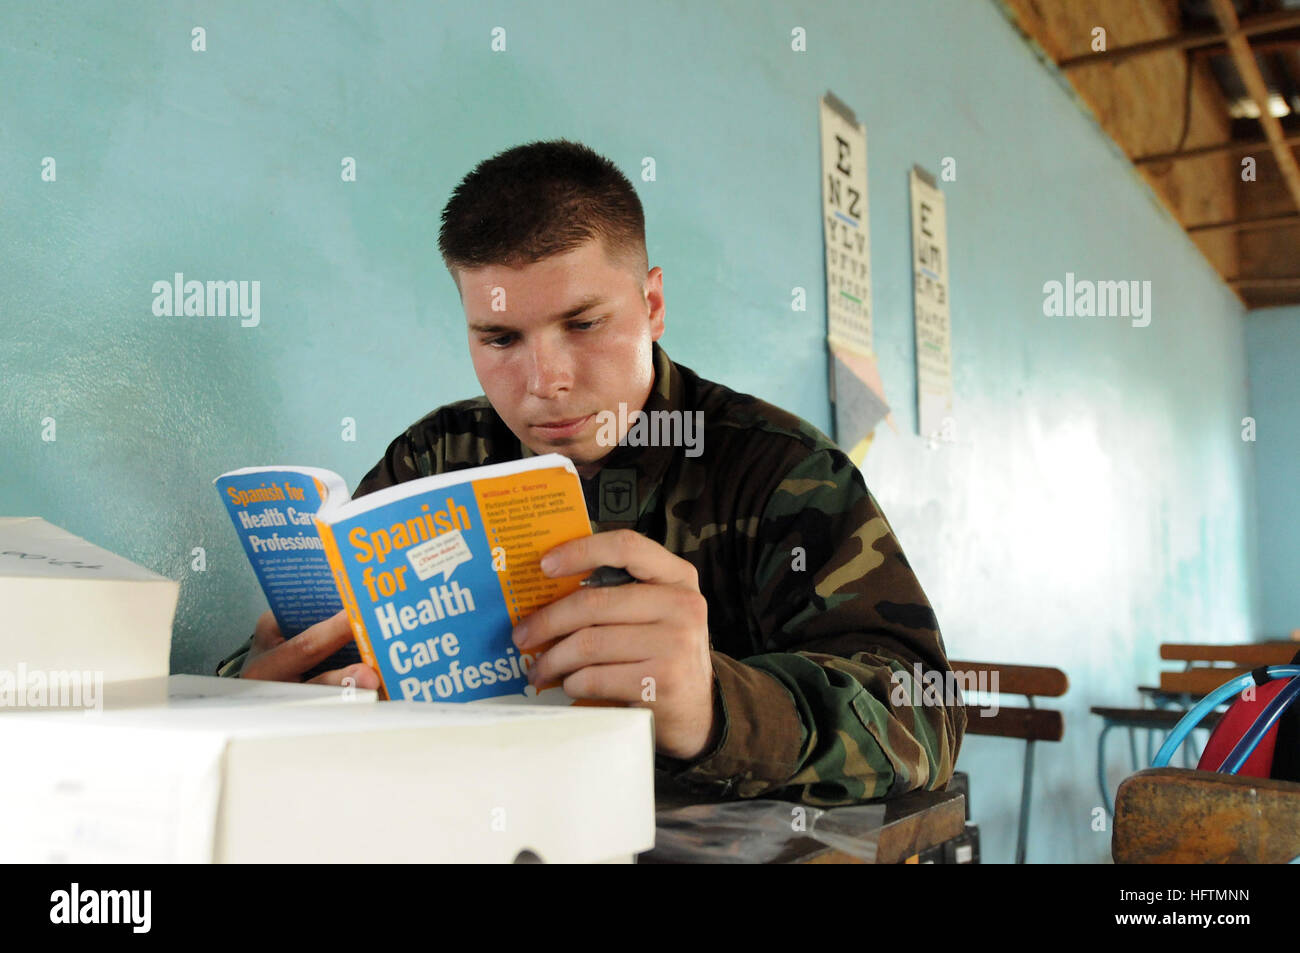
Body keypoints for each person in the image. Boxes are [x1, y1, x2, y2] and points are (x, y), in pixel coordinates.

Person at [215, 139, 966, 805]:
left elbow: (924, 713)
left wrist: (716, 707)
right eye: (500, 337)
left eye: (583, 323)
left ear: (653, 303)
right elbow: (331, 673)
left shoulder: (777, 469)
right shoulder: (436, 459)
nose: (546, 381)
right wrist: (263, 691)